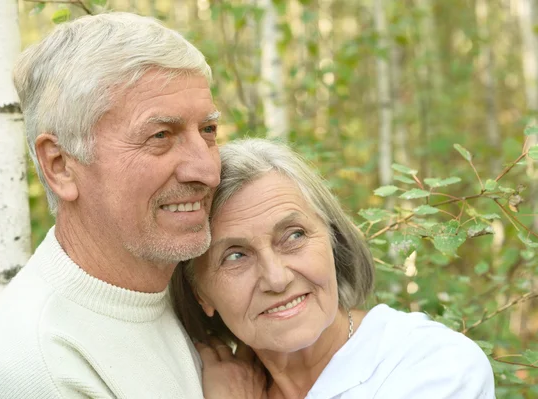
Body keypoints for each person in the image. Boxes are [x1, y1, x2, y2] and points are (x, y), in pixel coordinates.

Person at [0, 13, 263, 398]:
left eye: (208, 131)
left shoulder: (188, 290)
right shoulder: (29, 363)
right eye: (161, 135)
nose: (207, 171)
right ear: (60, 166)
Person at [171, 138, 496, 399]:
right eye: (235, 256)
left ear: (333, 239)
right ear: (201, 294)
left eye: (294, 236)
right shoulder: (198, 383)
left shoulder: (431, 362)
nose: (277, 278)